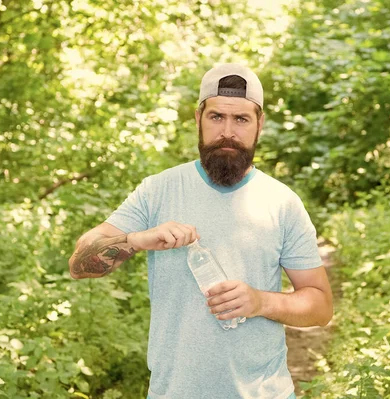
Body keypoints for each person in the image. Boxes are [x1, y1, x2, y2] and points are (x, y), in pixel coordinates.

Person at [68, 63, 333, 399]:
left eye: (241, 119)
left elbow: (321, 306)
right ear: (198, 119)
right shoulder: (158, 191)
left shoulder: (282, 203)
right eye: (216, 117)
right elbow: (79, 263)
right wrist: (137, 240)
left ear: (260, 124)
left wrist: (260, 301)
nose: (228, 131)